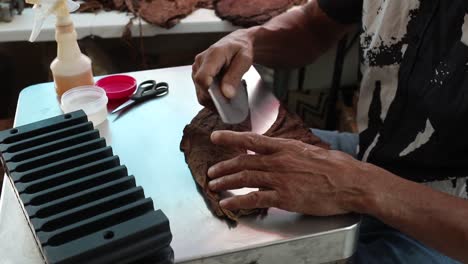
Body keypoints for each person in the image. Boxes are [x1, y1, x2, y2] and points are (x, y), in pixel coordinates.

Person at [191, 0, 468, 263]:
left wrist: (360, 187)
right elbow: (312, 26)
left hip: (451, 216)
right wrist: (249, 40)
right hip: (373, 154)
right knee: (219, 156)